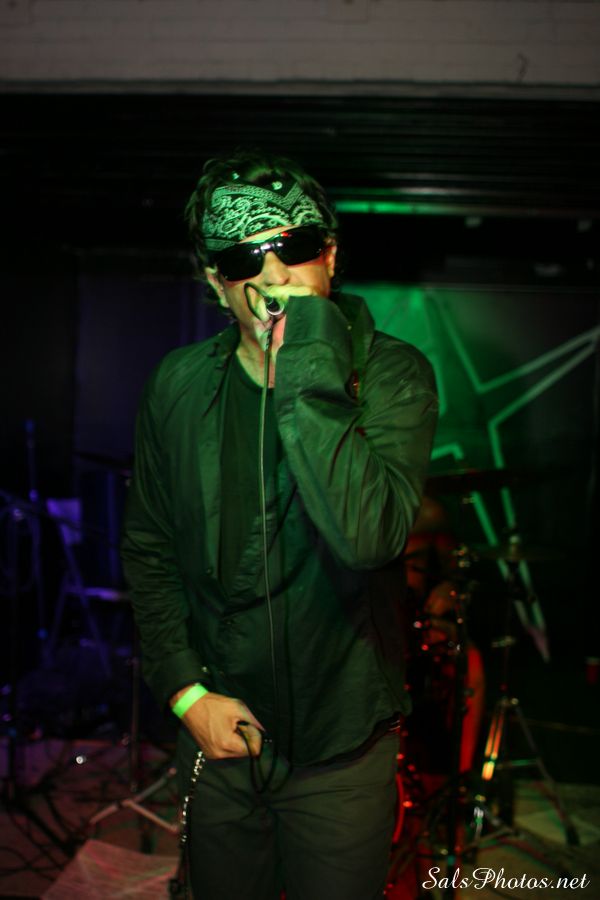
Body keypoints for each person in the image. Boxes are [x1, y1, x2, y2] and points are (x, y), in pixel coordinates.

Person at [121, 149, 438, 900]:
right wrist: (185, 694)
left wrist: (306, 364)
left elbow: (366, 535)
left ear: (329, 255)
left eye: (292, 247)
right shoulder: (177, 385)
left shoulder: (390, 375)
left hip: (341, 748)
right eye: (242, 260)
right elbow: (149, 547)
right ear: (215, 281)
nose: (272, 278)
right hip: (219, 734)